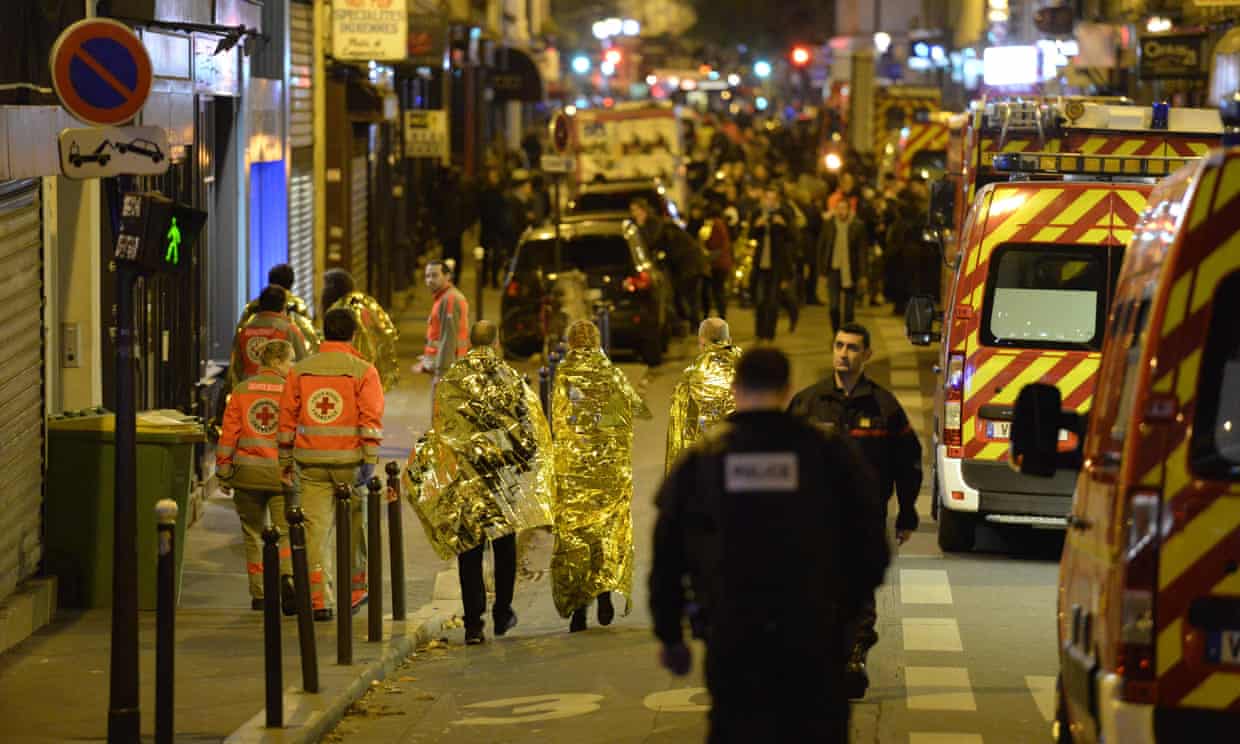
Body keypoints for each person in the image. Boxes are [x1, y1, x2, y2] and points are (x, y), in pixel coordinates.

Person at [650, 347, 890, 743]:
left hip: (734, 639)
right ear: (787, 389)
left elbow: (667, 556)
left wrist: (671, 635)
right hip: (812, 639)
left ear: (735, 388)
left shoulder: (704, 459)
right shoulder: (828, 453)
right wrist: (844, 619)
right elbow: (870, 547)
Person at [788, 322, 923, 698]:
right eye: (839, 346)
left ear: (867, 355)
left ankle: (854, 656)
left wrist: (907, 512)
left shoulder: (883, 407)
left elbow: (907, 462)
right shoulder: (808, 403)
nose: (843, 354)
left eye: (851, 348)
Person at [404, 321, 555, 645]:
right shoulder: (510, 377)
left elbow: (441, 427)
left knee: (469, 549)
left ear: (470, 343)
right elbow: (526, 428)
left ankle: (473, 623)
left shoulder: (452, 378)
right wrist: (521, 461)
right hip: (501, 477)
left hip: (465, 477)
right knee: (504, 547)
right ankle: (502, 611)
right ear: (497, 342)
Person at [277, 308, 385, 621]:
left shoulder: (300, 371)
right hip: (350, 463)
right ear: (354, 334)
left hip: (311, 464)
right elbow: (371, 418)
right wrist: (370, 459)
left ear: (324, 332)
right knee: (354, 525)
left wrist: (285, 459)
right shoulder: (364, 371)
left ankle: (318, 600)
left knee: (315, 531)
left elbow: (286, 418)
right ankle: (354, 590)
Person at [550, 320, 652, 632]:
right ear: (597, 341)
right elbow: (632, 410)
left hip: (574, 469)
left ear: (570, 343)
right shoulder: (611, 373)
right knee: (606, 531)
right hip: (607, 470)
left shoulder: (564, 373)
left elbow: (558, 418)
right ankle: (604, 591)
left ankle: (579, 608)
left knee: (576, 535)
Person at [217, 339, 295, 611]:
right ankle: (287, 578)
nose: (292, 366)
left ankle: (260, 593)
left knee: (252, 534)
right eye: (290, 361)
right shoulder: (291, 391)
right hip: (280, 475)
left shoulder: (241, 390)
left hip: (246, 474)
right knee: (285, 532)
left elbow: (229, 435)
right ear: (276, 361)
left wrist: (223, 472)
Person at [665, 318, 741, 472]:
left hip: (704, 470)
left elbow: (677, 441)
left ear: (701, 342)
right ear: (729, 340)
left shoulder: (688, 382)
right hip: (740, 469)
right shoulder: (747, 375)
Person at [321, 269, 401, 392]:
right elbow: (387, 333)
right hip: (372, 369)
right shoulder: (365, 302)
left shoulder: (339, 312)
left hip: (353, 370)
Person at [631, 197, 702, 333]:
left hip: (687, 261)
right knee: (683, 294)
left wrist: (641, 227)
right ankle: (690, 323)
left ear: (643, 210)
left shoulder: (654, 224)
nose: (634, 214)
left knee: (688, 294)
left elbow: (651, 242)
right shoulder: (654, 224)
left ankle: (692, 324)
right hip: (682, 262)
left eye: (636, 210)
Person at [228, 285, 312, 390]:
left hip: (249, 392)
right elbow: (303, 365)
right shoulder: (288, 330)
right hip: (280, 393)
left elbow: (236, 367)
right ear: (283, 306)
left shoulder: (244, 331)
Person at [749, 184, 798, 341]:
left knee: (773, 301)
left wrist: (784, 225)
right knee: (760, 300)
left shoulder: (784, 213)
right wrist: (756, 226)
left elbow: (794, 237)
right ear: (763, 200)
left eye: (773, 199)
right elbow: (750, 235)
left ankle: (769, 334)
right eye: (767, 198)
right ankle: (759, 332)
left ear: (777, 201)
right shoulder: (757, 213)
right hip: (760, 264)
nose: (769, 202)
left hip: (777, 265)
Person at [235, 263, 320, 354]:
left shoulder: (253, 306)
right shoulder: (296, 306)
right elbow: (310, 338)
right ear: (291, 283)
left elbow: (239, 336)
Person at [413, 260, 470, 393]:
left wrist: (442, 373)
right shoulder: (443, 298)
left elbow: (449, 338)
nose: (430, 280)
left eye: (435, 275)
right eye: (427, 276)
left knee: (441, 405)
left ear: (447, 276)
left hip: (447, 368)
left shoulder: (449, 299)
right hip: (444, 365)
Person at [818, 197, 866, 333]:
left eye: (844, 208)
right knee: (833, 307)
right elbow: (821, 248)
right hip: (833, 270)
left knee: (849, 311)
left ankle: (846, 334)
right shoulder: (829, 225)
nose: (841, 212)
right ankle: (836, 333)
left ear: (849, 210)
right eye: (838, 208)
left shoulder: (857, 226)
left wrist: (863, 274)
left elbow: (862, 251)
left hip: (851, 271)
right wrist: (821, 271)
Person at [700, 199, 734, 319]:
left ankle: (721, 314)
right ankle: (722, 314)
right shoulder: (722, 223)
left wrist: (706, 246)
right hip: (723, 261)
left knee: (717, 290)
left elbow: (713, 243)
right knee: (719, 290)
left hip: (718, 262)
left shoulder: (716, 225)